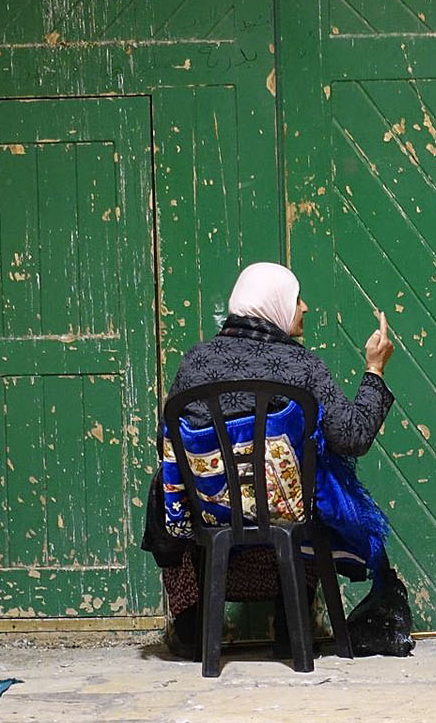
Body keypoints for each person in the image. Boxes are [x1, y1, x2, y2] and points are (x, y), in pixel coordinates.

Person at [143, 261, 399, 656]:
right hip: (287, 512)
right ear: (275, 303)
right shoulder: (302, 366)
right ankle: (292, 616)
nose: (304, 307)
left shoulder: (195, 362)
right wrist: (374, 369)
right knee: (318, 481)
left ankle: (193, 622)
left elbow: (169, 441)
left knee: (170, 484)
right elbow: (351, 436)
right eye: (296, 298)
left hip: (208, 516)